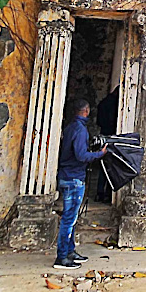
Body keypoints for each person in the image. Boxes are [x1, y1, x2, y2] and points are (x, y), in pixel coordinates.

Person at [53, 99, 104, 270]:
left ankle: (70, 251)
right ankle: (61, 257)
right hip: (74, 178)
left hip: (67, 175)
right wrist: (99, 154)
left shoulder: (70, 128)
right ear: (86, 111)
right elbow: (81, 155)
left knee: (71, 217)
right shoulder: (81, 131)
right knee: (68, 219)